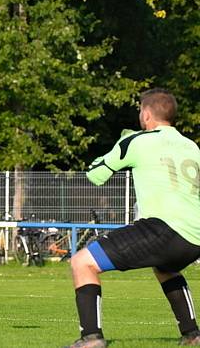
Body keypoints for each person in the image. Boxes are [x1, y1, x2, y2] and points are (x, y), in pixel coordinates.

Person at [67, 88, 200, 348]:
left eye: (141, 110)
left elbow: (95, 175)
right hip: (195, 236)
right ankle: (193, 334)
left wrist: (121, 145)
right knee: (166, 269)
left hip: (164, 228)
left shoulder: (137, 141)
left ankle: (91, 338)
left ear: (147, 114)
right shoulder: (192, 146)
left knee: (82, 263)